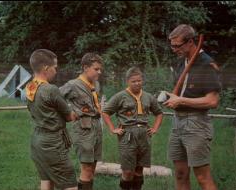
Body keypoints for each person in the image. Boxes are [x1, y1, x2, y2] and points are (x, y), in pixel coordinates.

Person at [164, 24, 221, 190]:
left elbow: (212, 101)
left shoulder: (206, 64)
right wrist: (171, 98)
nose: (174, 49)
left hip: (196, 124)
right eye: (172, 45)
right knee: (180, 174)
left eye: (177, 45)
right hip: (177, 123)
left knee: (202, 177)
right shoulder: (182, 62)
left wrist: (181, 101)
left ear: (190, 42)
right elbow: (185, 93)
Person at [102, 67, 163, 190]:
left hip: (144, 135)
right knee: (128, 171)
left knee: (139, 170)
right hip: (127, 136)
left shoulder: (148, 96)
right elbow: (105, 112)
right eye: (133, 81)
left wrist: (155, 128)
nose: (137, 83)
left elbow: (159, 113)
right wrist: (113, 129)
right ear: (127, 82)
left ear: (142, 80)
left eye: (139, 80)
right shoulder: (120, 96)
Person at [26, 49, 78, 190]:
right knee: (70, 185)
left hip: (37, 142)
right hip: (52, 144)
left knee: (46, 180)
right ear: (45, 68)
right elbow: (69, 117)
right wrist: (75, 112)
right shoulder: (51, 89)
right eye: (55, 67)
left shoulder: (30, 86)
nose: (56, 71)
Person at [60, 53, 103, 190]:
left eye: (100, 69)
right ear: (85, 67)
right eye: (96, 69)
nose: (99, 72)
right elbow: (55, 97)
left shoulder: (95, 84)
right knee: (86, 168)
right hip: (83, 129)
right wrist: (68, 112)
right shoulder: (73, 85)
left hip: (96, 127)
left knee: (92, 168)